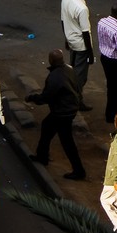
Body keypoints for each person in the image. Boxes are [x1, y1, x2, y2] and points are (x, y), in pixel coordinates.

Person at [26, 49, 86, 180]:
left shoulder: (54, 77)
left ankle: (79, 170)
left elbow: (46, 97)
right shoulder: (69, 69)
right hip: (69, 109)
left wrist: (32, 98)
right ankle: (42, 156)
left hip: (61, 112)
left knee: (67, 141)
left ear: (51, 60)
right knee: (47, 127)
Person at [61, 0, 94, 111]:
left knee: (72, 70)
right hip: (81, 46)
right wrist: (90, 54)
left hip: (71, 41)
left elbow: (63, 20)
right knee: (80, 76)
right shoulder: (82, 9)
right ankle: (76, 100)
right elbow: (86, 33)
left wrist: (66, 38)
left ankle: (70, 94)